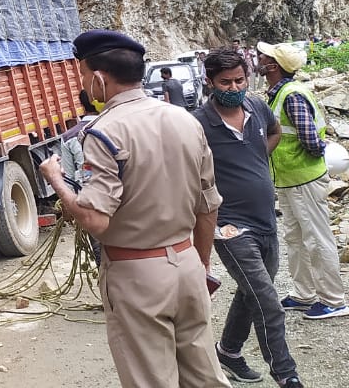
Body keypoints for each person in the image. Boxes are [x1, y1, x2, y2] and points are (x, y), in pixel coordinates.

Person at [40, 30, 229, 388]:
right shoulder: (186, 120)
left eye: (82, 75)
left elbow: (95, 219)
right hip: (188, 262)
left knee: (151, 379)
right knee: (205, 376)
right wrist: (200, 264)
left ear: (98, 79)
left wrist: (56, 180)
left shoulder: (102, 132)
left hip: (136, 272)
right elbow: (208, 205)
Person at [192, 48, 302, 387]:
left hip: (266, 219)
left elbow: (274, 132)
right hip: (229, 226)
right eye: (225, 82)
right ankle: (286, 375)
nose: (234, 87)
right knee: (268, 302)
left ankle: (228, 351)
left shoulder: (256, 107)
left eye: (240, 79)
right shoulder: (197, 124)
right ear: (209, 82)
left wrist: (255, 159)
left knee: (251, 291)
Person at [255, 41, 348, 320]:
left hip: (304, 179)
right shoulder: (280, 92)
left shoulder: (292, 95)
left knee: (316, 238)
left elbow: (309, 138)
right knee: (295, 238)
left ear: (273, 66)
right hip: (289, 179)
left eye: (265, 56)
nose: (259, 58)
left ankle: (334, 300)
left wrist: (317, 154)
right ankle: (304, 294)